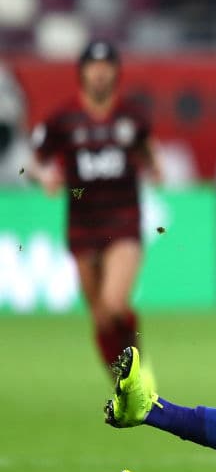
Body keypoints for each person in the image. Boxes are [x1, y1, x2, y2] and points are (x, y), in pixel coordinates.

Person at [27, 41, 162, 375]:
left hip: (123, 220)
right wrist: (45, 177)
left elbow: (147, 148)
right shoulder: (63, 119)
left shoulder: (132, 116)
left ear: (116, 72)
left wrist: (155, 167)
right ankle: (121, 381)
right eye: (93, 67)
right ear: (83, 72)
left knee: (116, 304)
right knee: (101, 316)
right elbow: (31, 164)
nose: (100, 74)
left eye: (106, 67)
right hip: (82, 225)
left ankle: (138, 369)